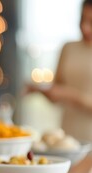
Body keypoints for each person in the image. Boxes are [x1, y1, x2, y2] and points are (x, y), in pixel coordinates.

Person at [29, 0, 92, 142]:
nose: (85, 28)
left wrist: (70, 95)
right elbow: (56, 95)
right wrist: (41, 90)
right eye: (82, 19)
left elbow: (65, 93)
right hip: (67, 136)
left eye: (91, 22)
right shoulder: (68, 48)